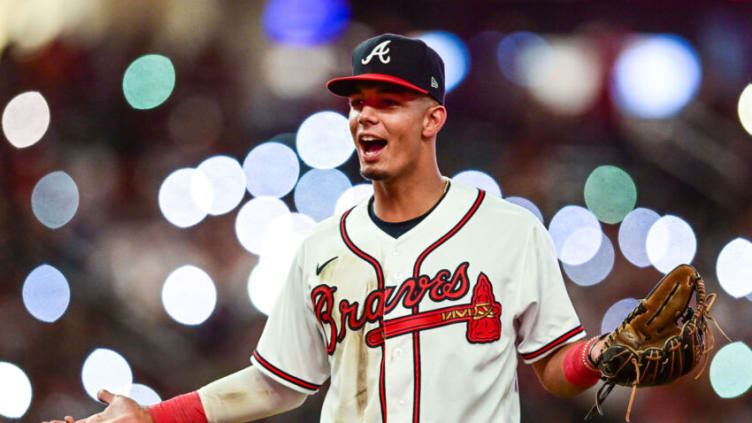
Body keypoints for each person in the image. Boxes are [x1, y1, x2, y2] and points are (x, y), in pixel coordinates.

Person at [44, 33, 606, 423]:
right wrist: (154, 416)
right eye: (359, 103)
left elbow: (554, 365)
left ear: (433, 118)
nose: (365, 116)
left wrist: (599, 359)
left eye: (389, 102)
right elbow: (276, 381)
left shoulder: (507, 230)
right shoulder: (322, 246)